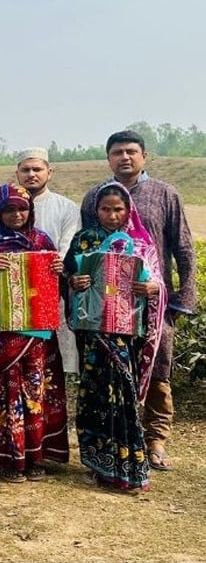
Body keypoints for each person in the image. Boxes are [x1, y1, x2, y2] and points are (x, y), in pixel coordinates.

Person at [80, 129, 197, 472]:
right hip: (107, 306)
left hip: (152, 301)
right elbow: (87, 247)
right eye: (117, 152)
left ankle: (156, 440)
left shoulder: (164, 194)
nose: (125, 157)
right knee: (112, 370)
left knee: (158, 367)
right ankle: (115, 438)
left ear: (145, 156)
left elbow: (184, 249)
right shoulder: (95, 196)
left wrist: (177, 296)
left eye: (132, 151)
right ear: (108, 158)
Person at [65, 183, 165, 491]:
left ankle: (127, 464)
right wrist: (75, 282)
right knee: (94, 394)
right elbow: (68, 278)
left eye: (118, 209)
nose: (111, 215)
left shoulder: (140, 242)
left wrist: (152, 289)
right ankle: (97, 462)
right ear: (95, 210)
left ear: (128, 210)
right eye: (105, 209)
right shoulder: (84, 241)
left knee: (122, 395)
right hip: (94, 337)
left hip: (125, 337)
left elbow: (157, 283)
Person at [0, 184, 69, 483]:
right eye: (9, 209)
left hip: (36, 335)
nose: (16, 214)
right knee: (6, 391)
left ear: (31, 210)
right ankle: (9, 458)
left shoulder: (41, 240)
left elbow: (56, 287)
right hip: (0, 335)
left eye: (22, 208)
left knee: (35, 392)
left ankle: (36, 456)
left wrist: (59, 269)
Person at [15, 148, 81, 377]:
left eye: (37, 169)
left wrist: (54, 266)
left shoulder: (66, 207)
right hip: (14, 292)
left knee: (52, 360)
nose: (31, 174)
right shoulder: (8, 207)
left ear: (49, 172)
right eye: (26, 169)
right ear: (17, 173)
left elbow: (67, 245)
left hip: (53, 289)